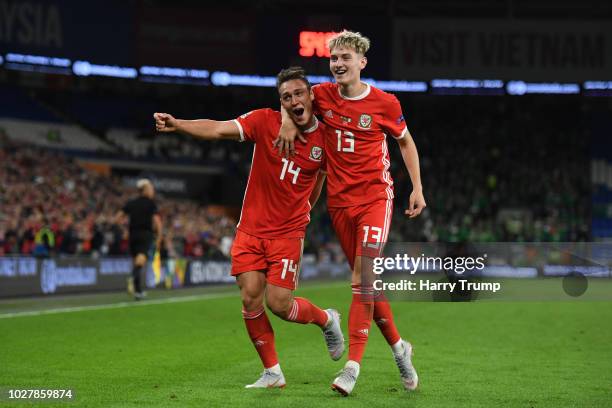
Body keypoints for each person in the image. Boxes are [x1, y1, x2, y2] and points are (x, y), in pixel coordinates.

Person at [153, 67, 344, 389]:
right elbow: (216, 129)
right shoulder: (263, 121)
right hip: (251, 229)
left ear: (311, 95)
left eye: (299, 93)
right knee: (250, 299)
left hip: (287, 232)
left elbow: (320, 179)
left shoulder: (326, 139)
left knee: (280, 304)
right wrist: (178, 124)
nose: (294, 100)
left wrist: (305, 210)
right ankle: (272, 372)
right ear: (280, 102)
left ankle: (327, 319)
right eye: (286, 96)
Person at [275, 31, 426, 395]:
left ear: (362, 62)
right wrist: (284, 118)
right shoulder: (322, 95)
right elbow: (292, 96)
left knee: (362, 278)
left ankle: (352, 366)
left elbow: (405, 141)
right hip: (340, 204)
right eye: (334, 59)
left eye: (345, 57)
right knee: (367, 285)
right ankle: (399, 348)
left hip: (375, 198)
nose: (339, 64)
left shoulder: (385, 103)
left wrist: (417, 187)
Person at [116, 179, 162, 300]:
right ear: (145, 190)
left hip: (132, 235)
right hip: (145, 234)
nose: (153, 191)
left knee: (136, 262)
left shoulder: (132, 203)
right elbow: (157, 222)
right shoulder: (150, 203)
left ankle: (138, 291)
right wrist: (159, 237)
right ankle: (131, 278)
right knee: (141, 260)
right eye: (151, 188)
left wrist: (124, 230)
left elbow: (117, 217)